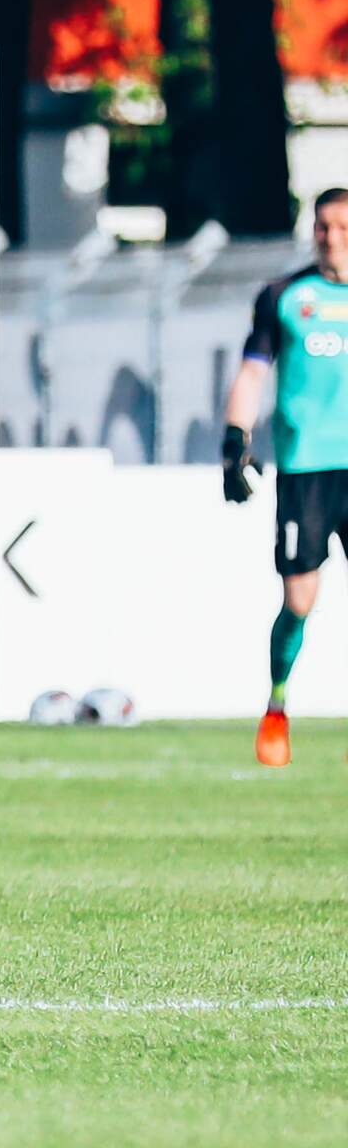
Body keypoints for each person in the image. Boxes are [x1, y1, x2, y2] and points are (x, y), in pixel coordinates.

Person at [220, 187, 348, 766]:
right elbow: (252, 372)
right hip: (306, 470)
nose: (331, 237)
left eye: (342, 227)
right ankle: (276, 705)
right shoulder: (285, 296)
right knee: (300, 598)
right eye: (323, 226)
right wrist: (235, 441)